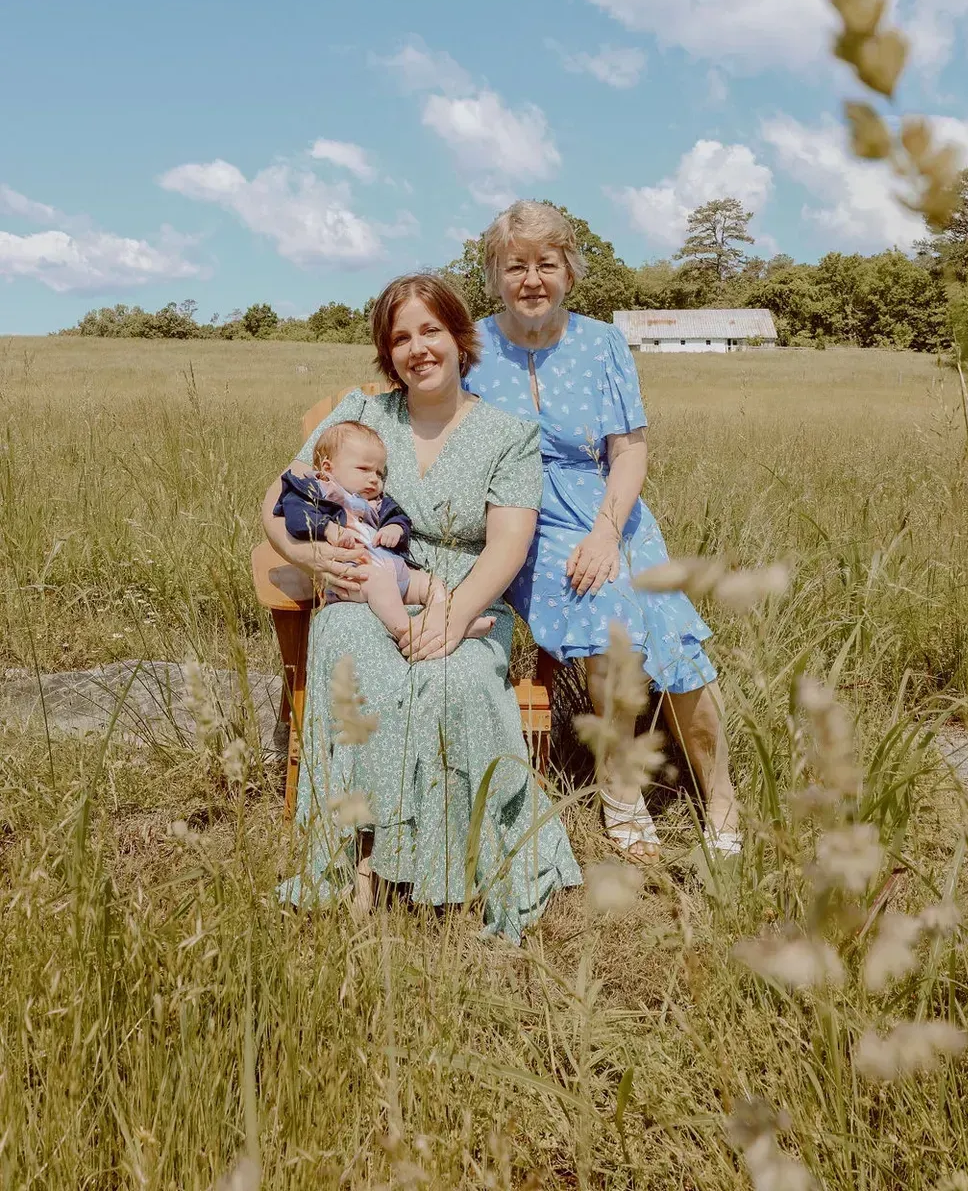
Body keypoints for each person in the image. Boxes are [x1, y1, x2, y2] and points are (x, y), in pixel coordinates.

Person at [261, 272, 581, 939]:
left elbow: (509, 542)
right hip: (365, 591)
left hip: (471, 601)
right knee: (350, 653)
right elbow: (278, 502)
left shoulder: (508, 435)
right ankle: (359, 861)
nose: (418, 348)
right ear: (388, 352)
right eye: (400, 337)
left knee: (453, 680)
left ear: (459, 337)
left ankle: (453, 865)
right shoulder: (362, 416)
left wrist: (452, 614)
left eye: (430, 330)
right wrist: (315, 558)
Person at [464, 200, 740, 860]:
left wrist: (607, 531)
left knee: (671, 627)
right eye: (515, 266)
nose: (531, 279)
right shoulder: (470, 345)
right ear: (494, 275)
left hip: (609, 507)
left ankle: (721, 795)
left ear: (569, 272)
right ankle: (620, 789)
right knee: (605, 607)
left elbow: (630, 451)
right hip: (523, 514)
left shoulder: (603, 342)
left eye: (546, 264)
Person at [274, 418, 494, 643]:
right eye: (364, 469)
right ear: (328, 468)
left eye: (379, 473)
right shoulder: (318, 490)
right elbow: (294, 512)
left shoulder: (377, 502)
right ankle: (407, 630)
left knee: (432, 583)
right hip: (358, 578)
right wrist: (328, 528)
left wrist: (395, 527)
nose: (374, 479)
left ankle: (448, 622)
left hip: (398, 573)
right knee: (380, 582)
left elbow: (400, 517)